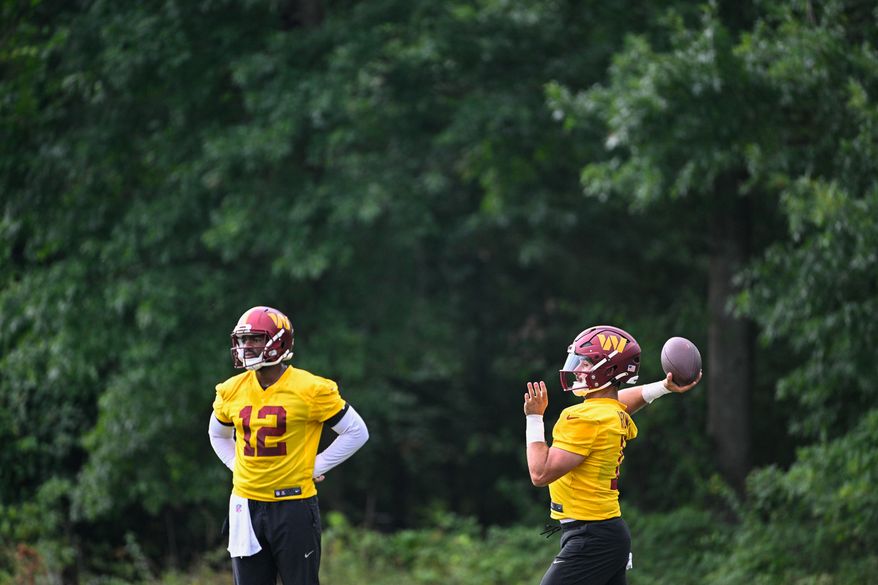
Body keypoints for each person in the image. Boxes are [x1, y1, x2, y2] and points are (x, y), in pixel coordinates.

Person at [523, 325, 701, 585]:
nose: (578, 369)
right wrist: (663, 386)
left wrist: (534, 417)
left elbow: (540, 473)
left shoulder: (584, 418)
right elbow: (620, 402)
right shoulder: (606, 413)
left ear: (607, 371)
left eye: (585, 363)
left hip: (590, 536)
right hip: (605, 532)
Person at [208, 306, 369, 585]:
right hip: (245, 505)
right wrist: (238, 467)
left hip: (293, 503)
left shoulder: (310, 388)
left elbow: (356, 432)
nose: (246, 346)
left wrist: (313, 465)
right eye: (243, 340)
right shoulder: (231, 389)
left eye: (255, 338)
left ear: (279, 341)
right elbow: (218, 435)